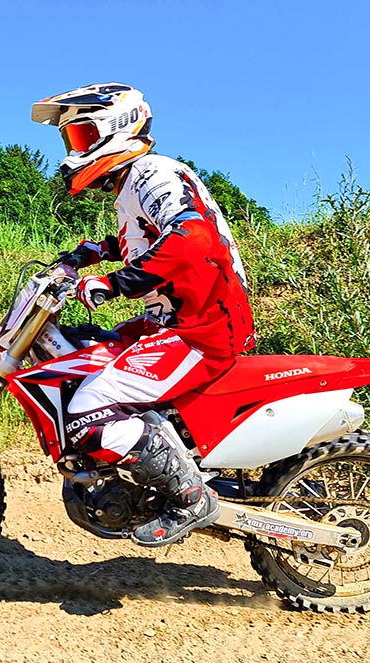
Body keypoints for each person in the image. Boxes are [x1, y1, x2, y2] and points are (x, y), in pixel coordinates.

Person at [31, 83, 256, 547]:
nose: (74, 149)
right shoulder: (135, 182)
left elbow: (191, 238)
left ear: (116, 128)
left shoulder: (154, 174)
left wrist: (114, 284)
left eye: (81, 135)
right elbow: (146, 238)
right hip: (172, 320)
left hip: (201, 329)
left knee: (88, 410)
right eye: (70, 139)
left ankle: (191, 497)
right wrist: (92, 253)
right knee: (85, 348)